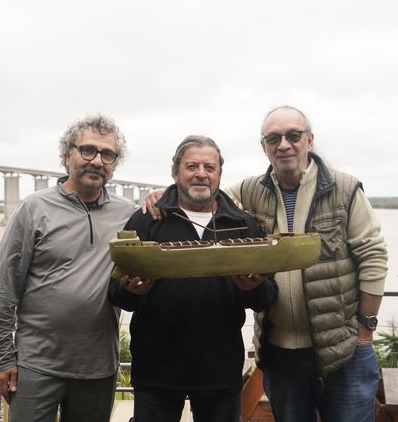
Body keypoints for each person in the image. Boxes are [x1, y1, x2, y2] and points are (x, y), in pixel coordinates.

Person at [143, 106, 388, 422]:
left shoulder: (344, 188)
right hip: (280, 352)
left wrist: (366, 328)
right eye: (274, 137)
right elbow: (201, 195)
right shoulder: (248, 191)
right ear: (264, 146)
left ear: (309, 140)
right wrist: (167, 193)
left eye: (293, 135)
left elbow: (373, 255)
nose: (284, 144)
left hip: (343, 349)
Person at [109, 135, 278, 422]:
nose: (201, 173)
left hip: (219, 368)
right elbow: (117, 294)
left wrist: (255, 288)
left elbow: (267, 297)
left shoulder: (242, 223)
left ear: (220, 174)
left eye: (209, 167)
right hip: (156, 367)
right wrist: (133, 292)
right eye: (192, 166)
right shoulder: (147, 219)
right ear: (175, 172)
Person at [0, 114, 137, 422]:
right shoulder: (33, 209)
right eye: (88, 150)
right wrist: (3, 357)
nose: (97, 160)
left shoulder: (128, 214)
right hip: (35, 365)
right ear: (68, 153)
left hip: (98, 367)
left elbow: (165, 229)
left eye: (107, 154)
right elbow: (4, 288)